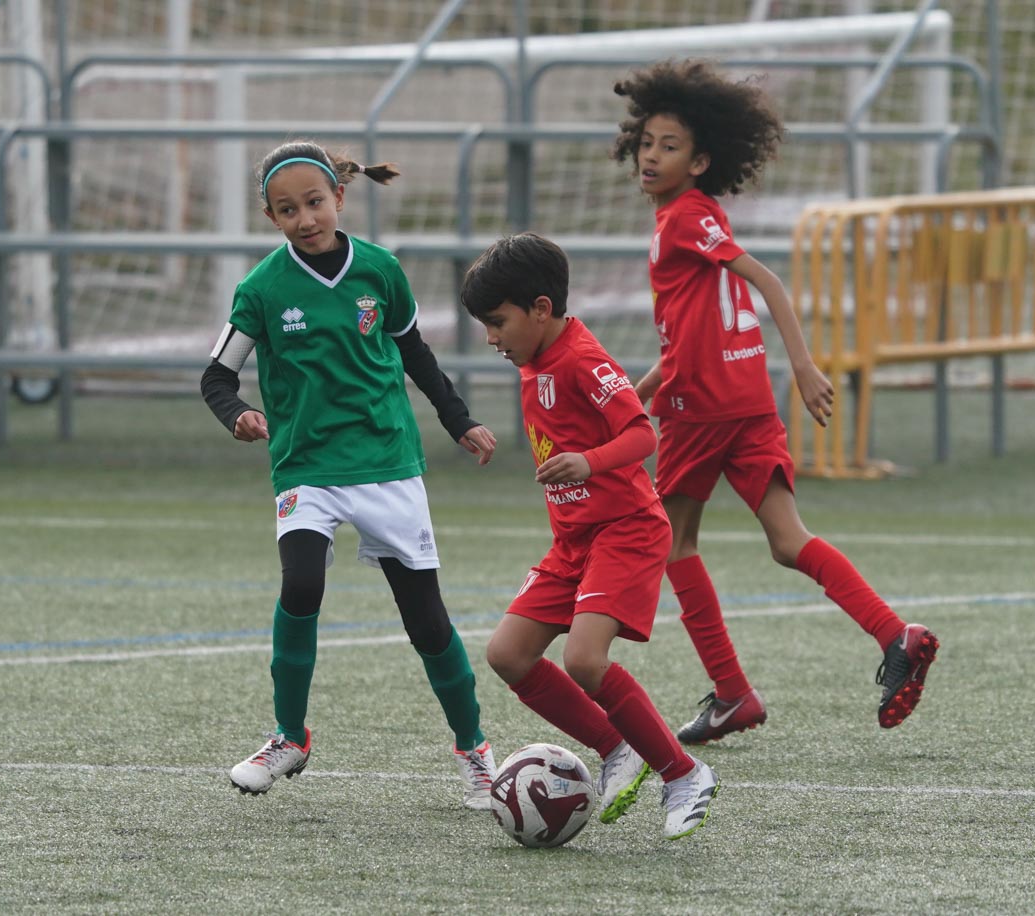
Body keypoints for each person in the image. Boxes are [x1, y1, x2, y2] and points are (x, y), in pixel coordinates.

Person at [611, 59, 940, 741]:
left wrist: (806, 363)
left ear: (701, 160)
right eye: (646, 142)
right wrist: (632, 396)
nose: (651, 155)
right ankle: (895, 634)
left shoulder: (682, 220)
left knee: (673, 543)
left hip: (705, 409)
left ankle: (732, 693)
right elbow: (684, 341)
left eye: (669, 147)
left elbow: (766, 281)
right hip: (745, 397)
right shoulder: (693, 215)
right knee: (789, 542)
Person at [200, 140, 499, 810]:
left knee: (424, 619)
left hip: (386, 461)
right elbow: (217, 376)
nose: (304, 218)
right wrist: (239, 414)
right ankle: (289, 736)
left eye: (313, 202)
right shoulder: (262, 289)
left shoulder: (381, 272)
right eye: (287, 210)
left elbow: (416, 355)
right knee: (302, 581)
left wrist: (459, 422)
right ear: (271, 217)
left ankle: (474, 749)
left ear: (339, 195)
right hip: (306, 463)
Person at [460, 233, 719, 841]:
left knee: (583, 660)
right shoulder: (533, 361)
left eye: (498, 323)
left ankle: (684, 773)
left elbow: (642, 436)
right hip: (574, 541)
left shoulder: (582, 358)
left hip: (625, 530)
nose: (491, 338)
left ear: (542, 309)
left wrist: (589, 461)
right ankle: (615, 747)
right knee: (508, 655)